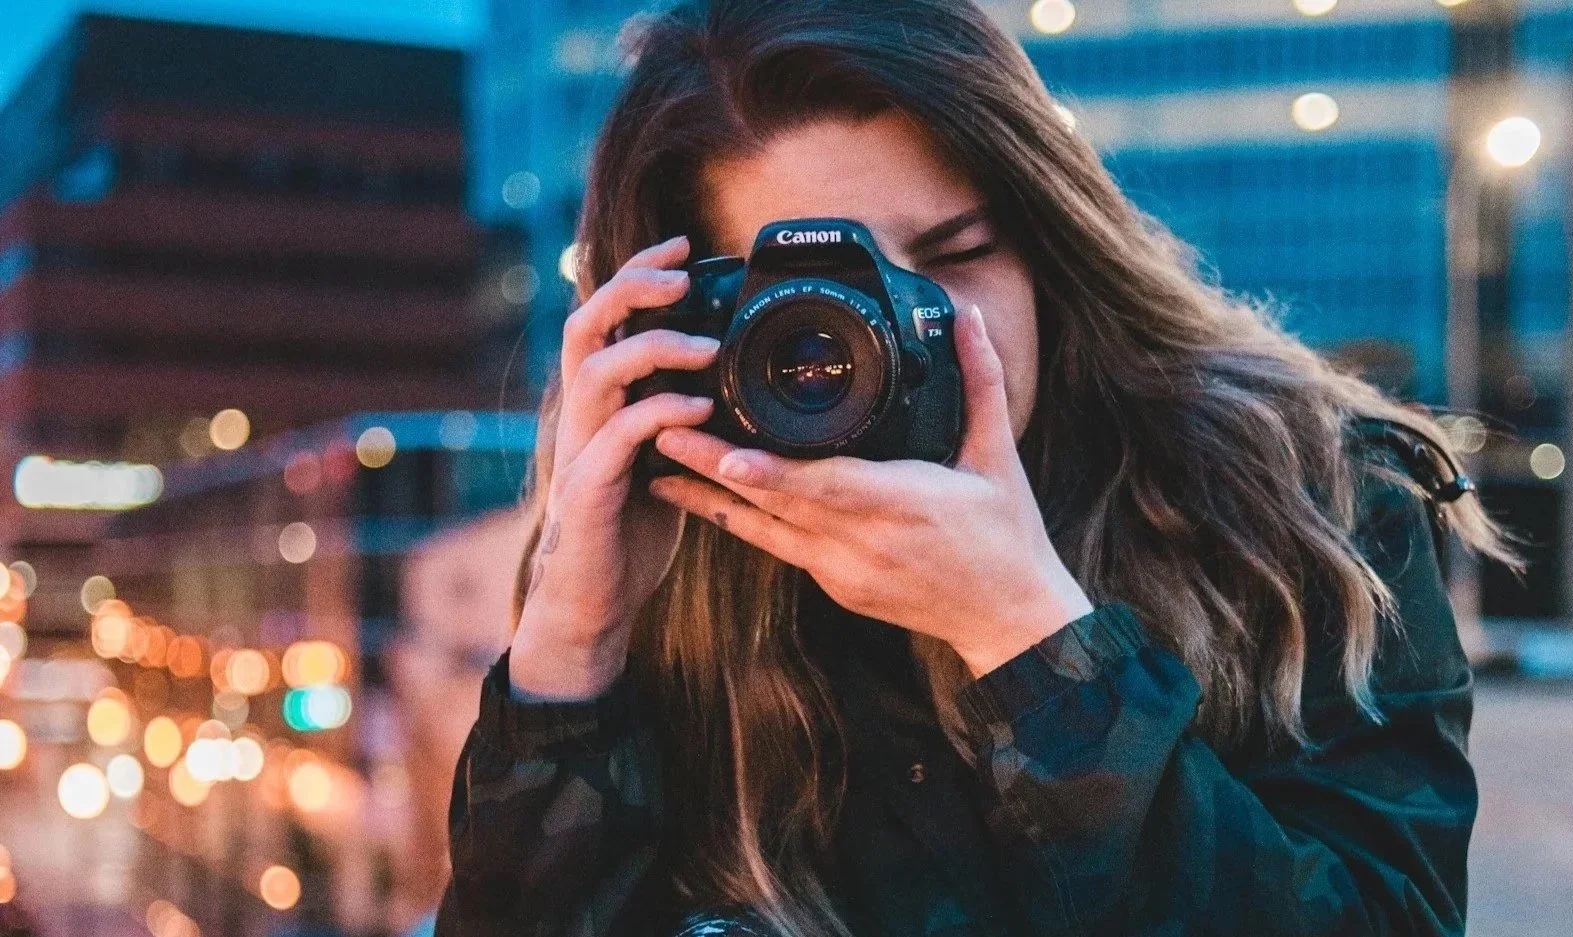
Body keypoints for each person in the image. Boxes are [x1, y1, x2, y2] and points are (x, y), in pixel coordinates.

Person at [437, 2, 1517, 935]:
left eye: (956, 256)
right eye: (821, 313)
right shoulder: (668, 556)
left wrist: (1033, 640)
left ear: (1048, 238)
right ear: (694, 325)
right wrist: (572, 651)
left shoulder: (1309, 504)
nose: (915, 331)